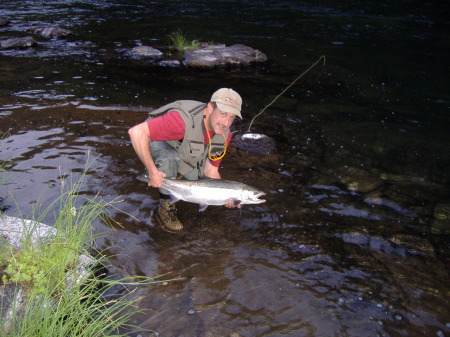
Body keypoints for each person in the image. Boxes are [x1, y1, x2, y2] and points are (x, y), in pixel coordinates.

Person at [128, 88, 243, 232]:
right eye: (223, 114)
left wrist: (227, 195)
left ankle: (174, 176)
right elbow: (136, 132)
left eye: (231, 117)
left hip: (184, 144)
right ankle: (165, 204)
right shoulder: (180, 121)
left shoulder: (225, 135)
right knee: (169, 157)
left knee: (198, 181)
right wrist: (152, 172)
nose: (225, 122)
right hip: (154, 137)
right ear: (209, 108)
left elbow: (211, 170)